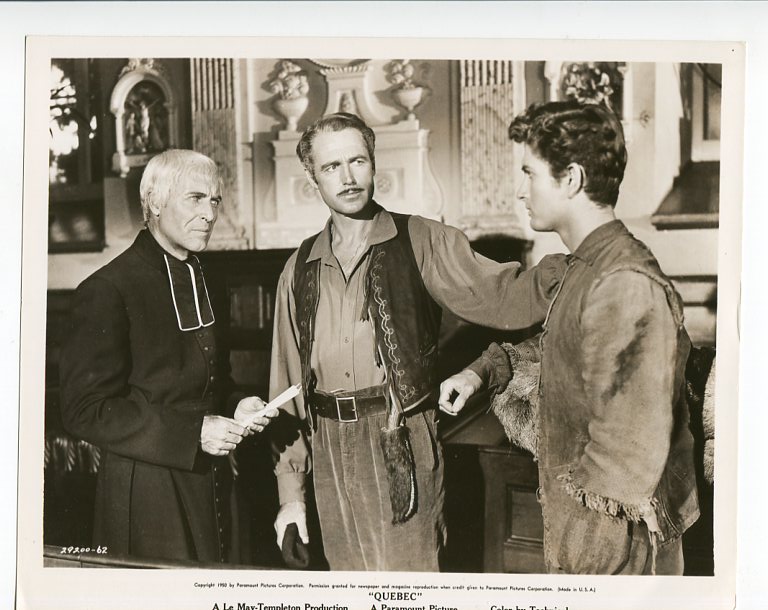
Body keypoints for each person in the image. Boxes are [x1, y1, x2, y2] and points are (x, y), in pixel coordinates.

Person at [269, 112, 567, 571]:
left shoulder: (421, 239)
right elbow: (287, 390)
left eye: (358, 161)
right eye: (331, 167)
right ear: (313, 178)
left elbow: (505, 295)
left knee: (410, 584)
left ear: (373, 163)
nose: (348, 177)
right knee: (349, 590)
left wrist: (581, 268)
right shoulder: (299, 266)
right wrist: (291, 496)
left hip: (400, 435)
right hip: (327, 447)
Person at [439, 101, 700, 575]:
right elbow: (562, 349)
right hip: (587, 535)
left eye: (529, 173)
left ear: (572, 179)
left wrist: (576, 565)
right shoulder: (585, 267)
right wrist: (485, 371)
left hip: (610, 552)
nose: (520, 190)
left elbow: (624, 461)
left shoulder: (622, 281)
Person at [60, 149, 277, 563]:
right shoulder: (108, 288)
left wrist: (237, 404)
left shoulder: (208, 278)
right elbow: (84, 410)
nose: (210, 214)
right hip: (148, 487)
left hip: (213, 478)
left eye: (215, 200)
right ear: (155, 203)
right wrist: (192, 433)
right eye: (195, 198)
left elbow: (210, 382)